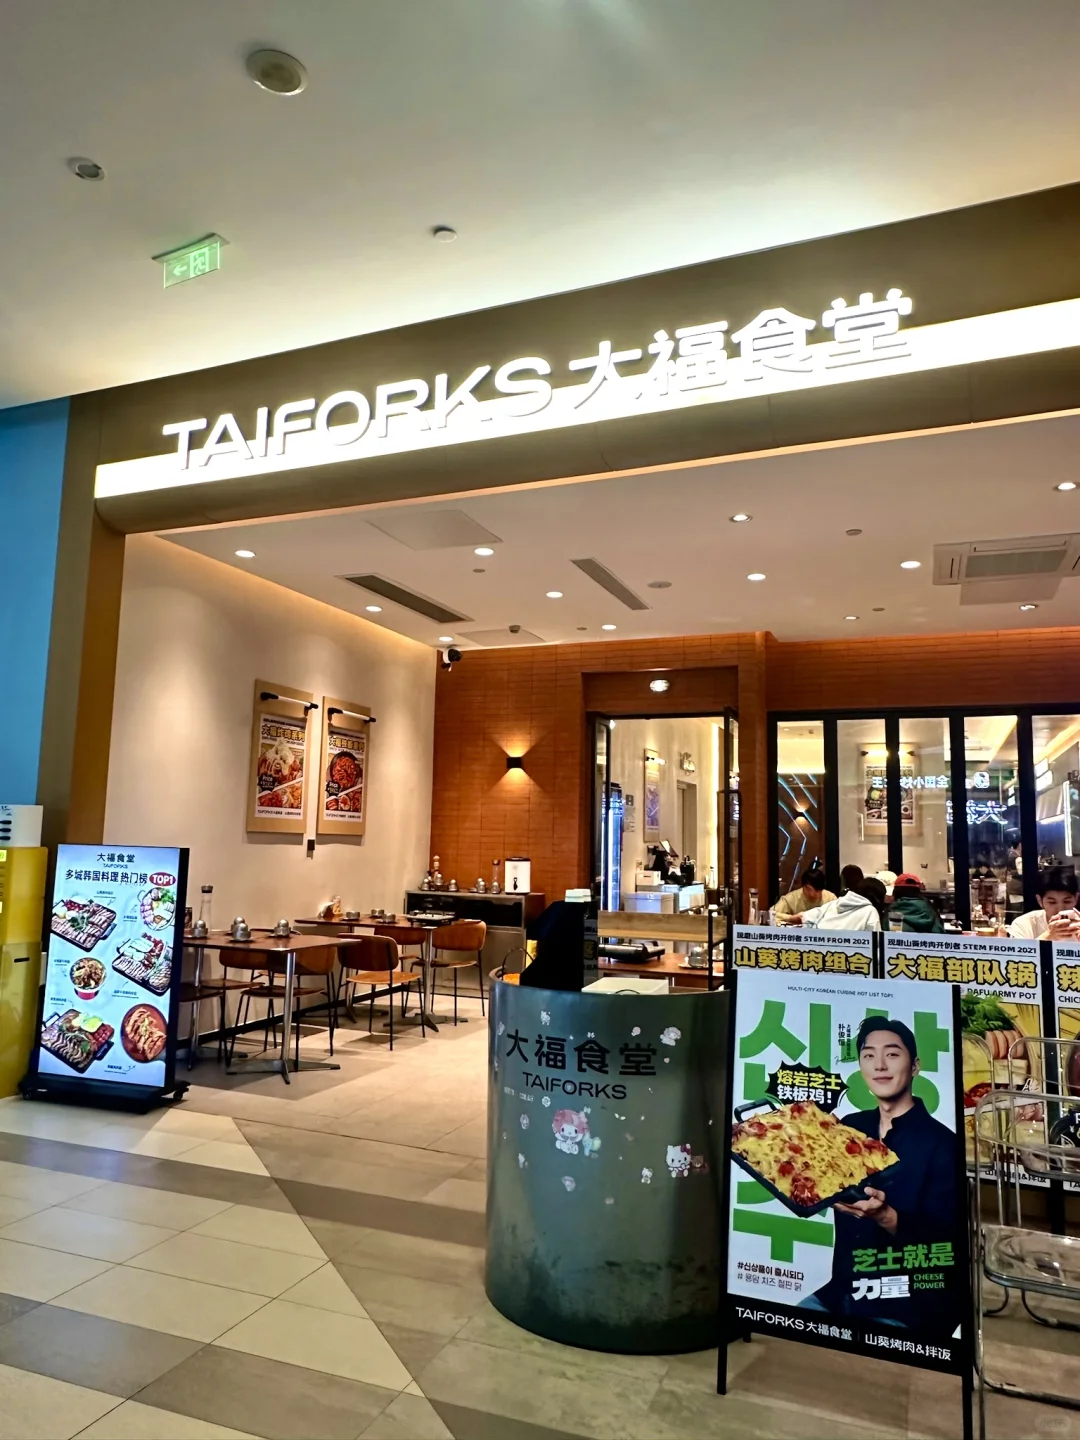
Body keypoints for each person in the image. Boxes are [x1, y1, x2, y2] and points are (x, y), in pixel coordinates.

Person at [808, 1018, 961, 1335]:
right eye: (868, 1055)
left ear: (915, 1066)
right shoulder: (850, 1126)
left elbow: (948, 1243)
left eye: (892, 1054)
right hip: (841, 1292)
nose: (879, 1065)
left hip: (909, 1307)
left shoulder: (943, 1144)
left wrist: (886, 1216)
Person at [1008, 866, 1080, 939]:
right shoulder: (1024, 924)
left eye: (1067, 901)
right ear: (1039, 900)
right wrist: (1049, 935)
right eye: (1052, 902)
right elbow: (1019, 946)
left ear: (1076, 898)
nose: (1060, 910)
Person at [799, 877, 881, 932]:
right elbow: (877, 941)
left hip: (821, 949)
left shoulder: (834, 903)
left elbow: (804, 917)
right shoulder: (871, 911)